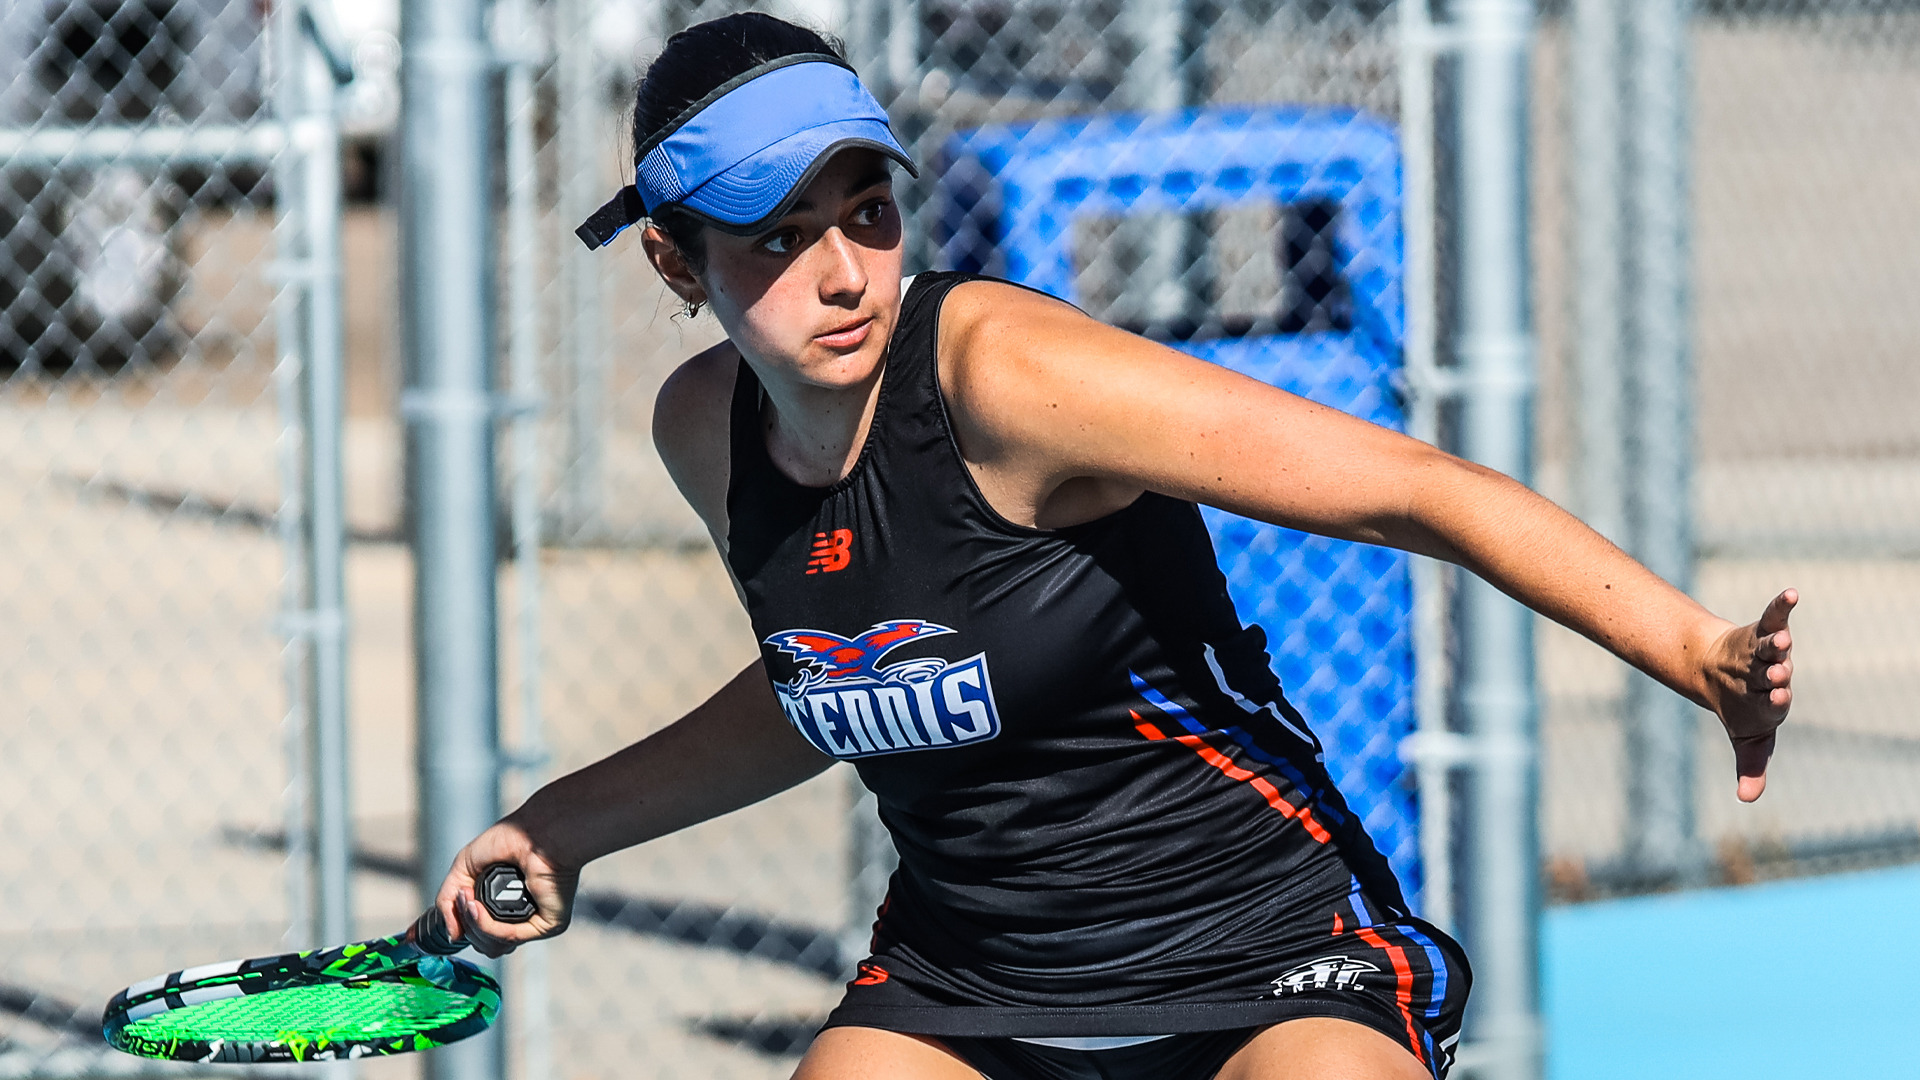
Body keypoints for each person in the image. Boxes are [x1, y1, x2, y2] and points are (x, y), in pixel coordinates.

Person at [433, 13, 1797, 1080]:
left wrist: (1693, 647)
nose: (844, 270)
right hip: (968, 987)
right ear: (677, 263)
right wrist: (569, 826)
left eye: (865, 210)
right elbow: (835, 676)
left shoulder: (1005, 374)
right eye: (779, 237)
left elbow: (1411, 488)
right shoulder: (706, 433)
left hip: (1266, 957)